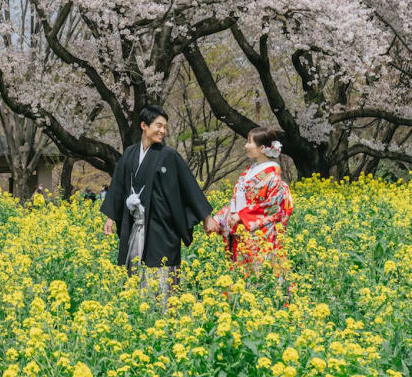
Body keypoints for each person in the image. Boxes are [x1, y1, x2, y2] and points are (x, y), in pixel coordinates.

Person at [101, 105, 218, 304]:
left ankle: (166, 313)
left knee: (162, 273)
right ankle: (139, 313)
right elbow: (118, 186)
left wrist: (206, 217)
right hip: (135, 225)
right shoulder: (129, 153)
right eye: (158, 126)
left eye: (165, 127)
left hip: (162, 227)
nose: (163, 131)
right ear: (144, 126)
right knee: (134, 271)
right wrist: (111, 217)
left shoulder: (168, 155)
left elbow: (188, 185)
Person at [213, 127, 293, 268]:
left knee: (259, 277)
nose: (246, 146)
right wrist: (219, 218)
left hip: (260, 236)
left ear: (262, 148)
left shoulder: (273, 176)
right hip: (242, 231)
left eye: (249, 142)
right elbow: (237, 203)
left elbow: (272, 208)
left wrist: (241, 216)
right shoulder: (248, 172)